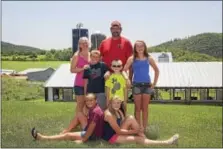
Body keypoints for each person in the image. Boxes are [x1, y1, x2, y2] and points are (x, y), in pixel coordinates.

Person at [102, 95, 179, 145]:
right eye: (114, 103)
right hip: (112, 137)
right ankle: (167, 142)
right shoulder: (109, 114)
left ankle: (144, 139)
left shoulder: (118, 110)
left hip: (117, 133)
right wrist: (135, 131)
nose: (117, 105)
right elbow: (118, 131)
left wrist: (136, 129)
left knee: (130, 118)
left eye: (118, 103)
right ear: (110, 103)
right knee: (137, 139)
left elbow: (122, 123)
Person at [31, 93, 104, 143]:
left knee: (68, 136)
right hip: (91, 130)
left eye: (91, 100)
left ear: (96, 100)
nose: (89, 102)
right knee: (79, 114)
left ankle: (43, 138)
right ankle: (64, 132)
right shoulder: (95, 108)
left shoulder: (95, 112)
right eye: (87, 101)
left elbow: (92, 127)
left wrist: (83, 139)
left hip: (92, 135)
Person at [123, 40, 160, 132]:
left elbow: (157, 70)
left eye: (141, 46)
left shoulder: (149, 58)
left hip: (147, 85)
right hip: (136, 85)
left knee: (145, 108)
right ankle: (138, 128)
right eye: (137, 46)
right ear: (135, 48)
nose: (140, 48)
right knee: (137, 108)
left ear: (145, 47)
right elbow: (124, 70)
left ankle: (145, 128)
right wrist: (127, 79)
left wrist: (154, 84)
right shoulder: (131, 59)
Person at [99, 20, 133, 86]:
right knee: (108, 96)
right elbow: (98, 60)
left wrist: (130, 78)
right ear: (110, 30)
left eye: (117, 28)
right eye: (113, 29)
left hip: (122, 76)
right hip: (107, 77)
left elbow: (131, 62)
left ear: (121, 29)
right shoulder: (104, 43)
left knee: (122, 96)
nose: (115, 30)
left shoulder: (127, 42)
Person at [70, 37, 91, 113]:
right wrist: (82, 68)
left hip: (90, 84)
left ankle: (84, 122)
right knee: (80, 104)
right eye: (82, 43)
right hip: (79, 84)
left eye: (86, 42)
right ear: (79, 45)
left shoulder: (91, 55)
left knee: (88, 104)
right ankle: (77, 121)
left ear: (89, 43)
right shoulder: (76, 56)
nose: (85, 44)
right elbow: (72, 70)